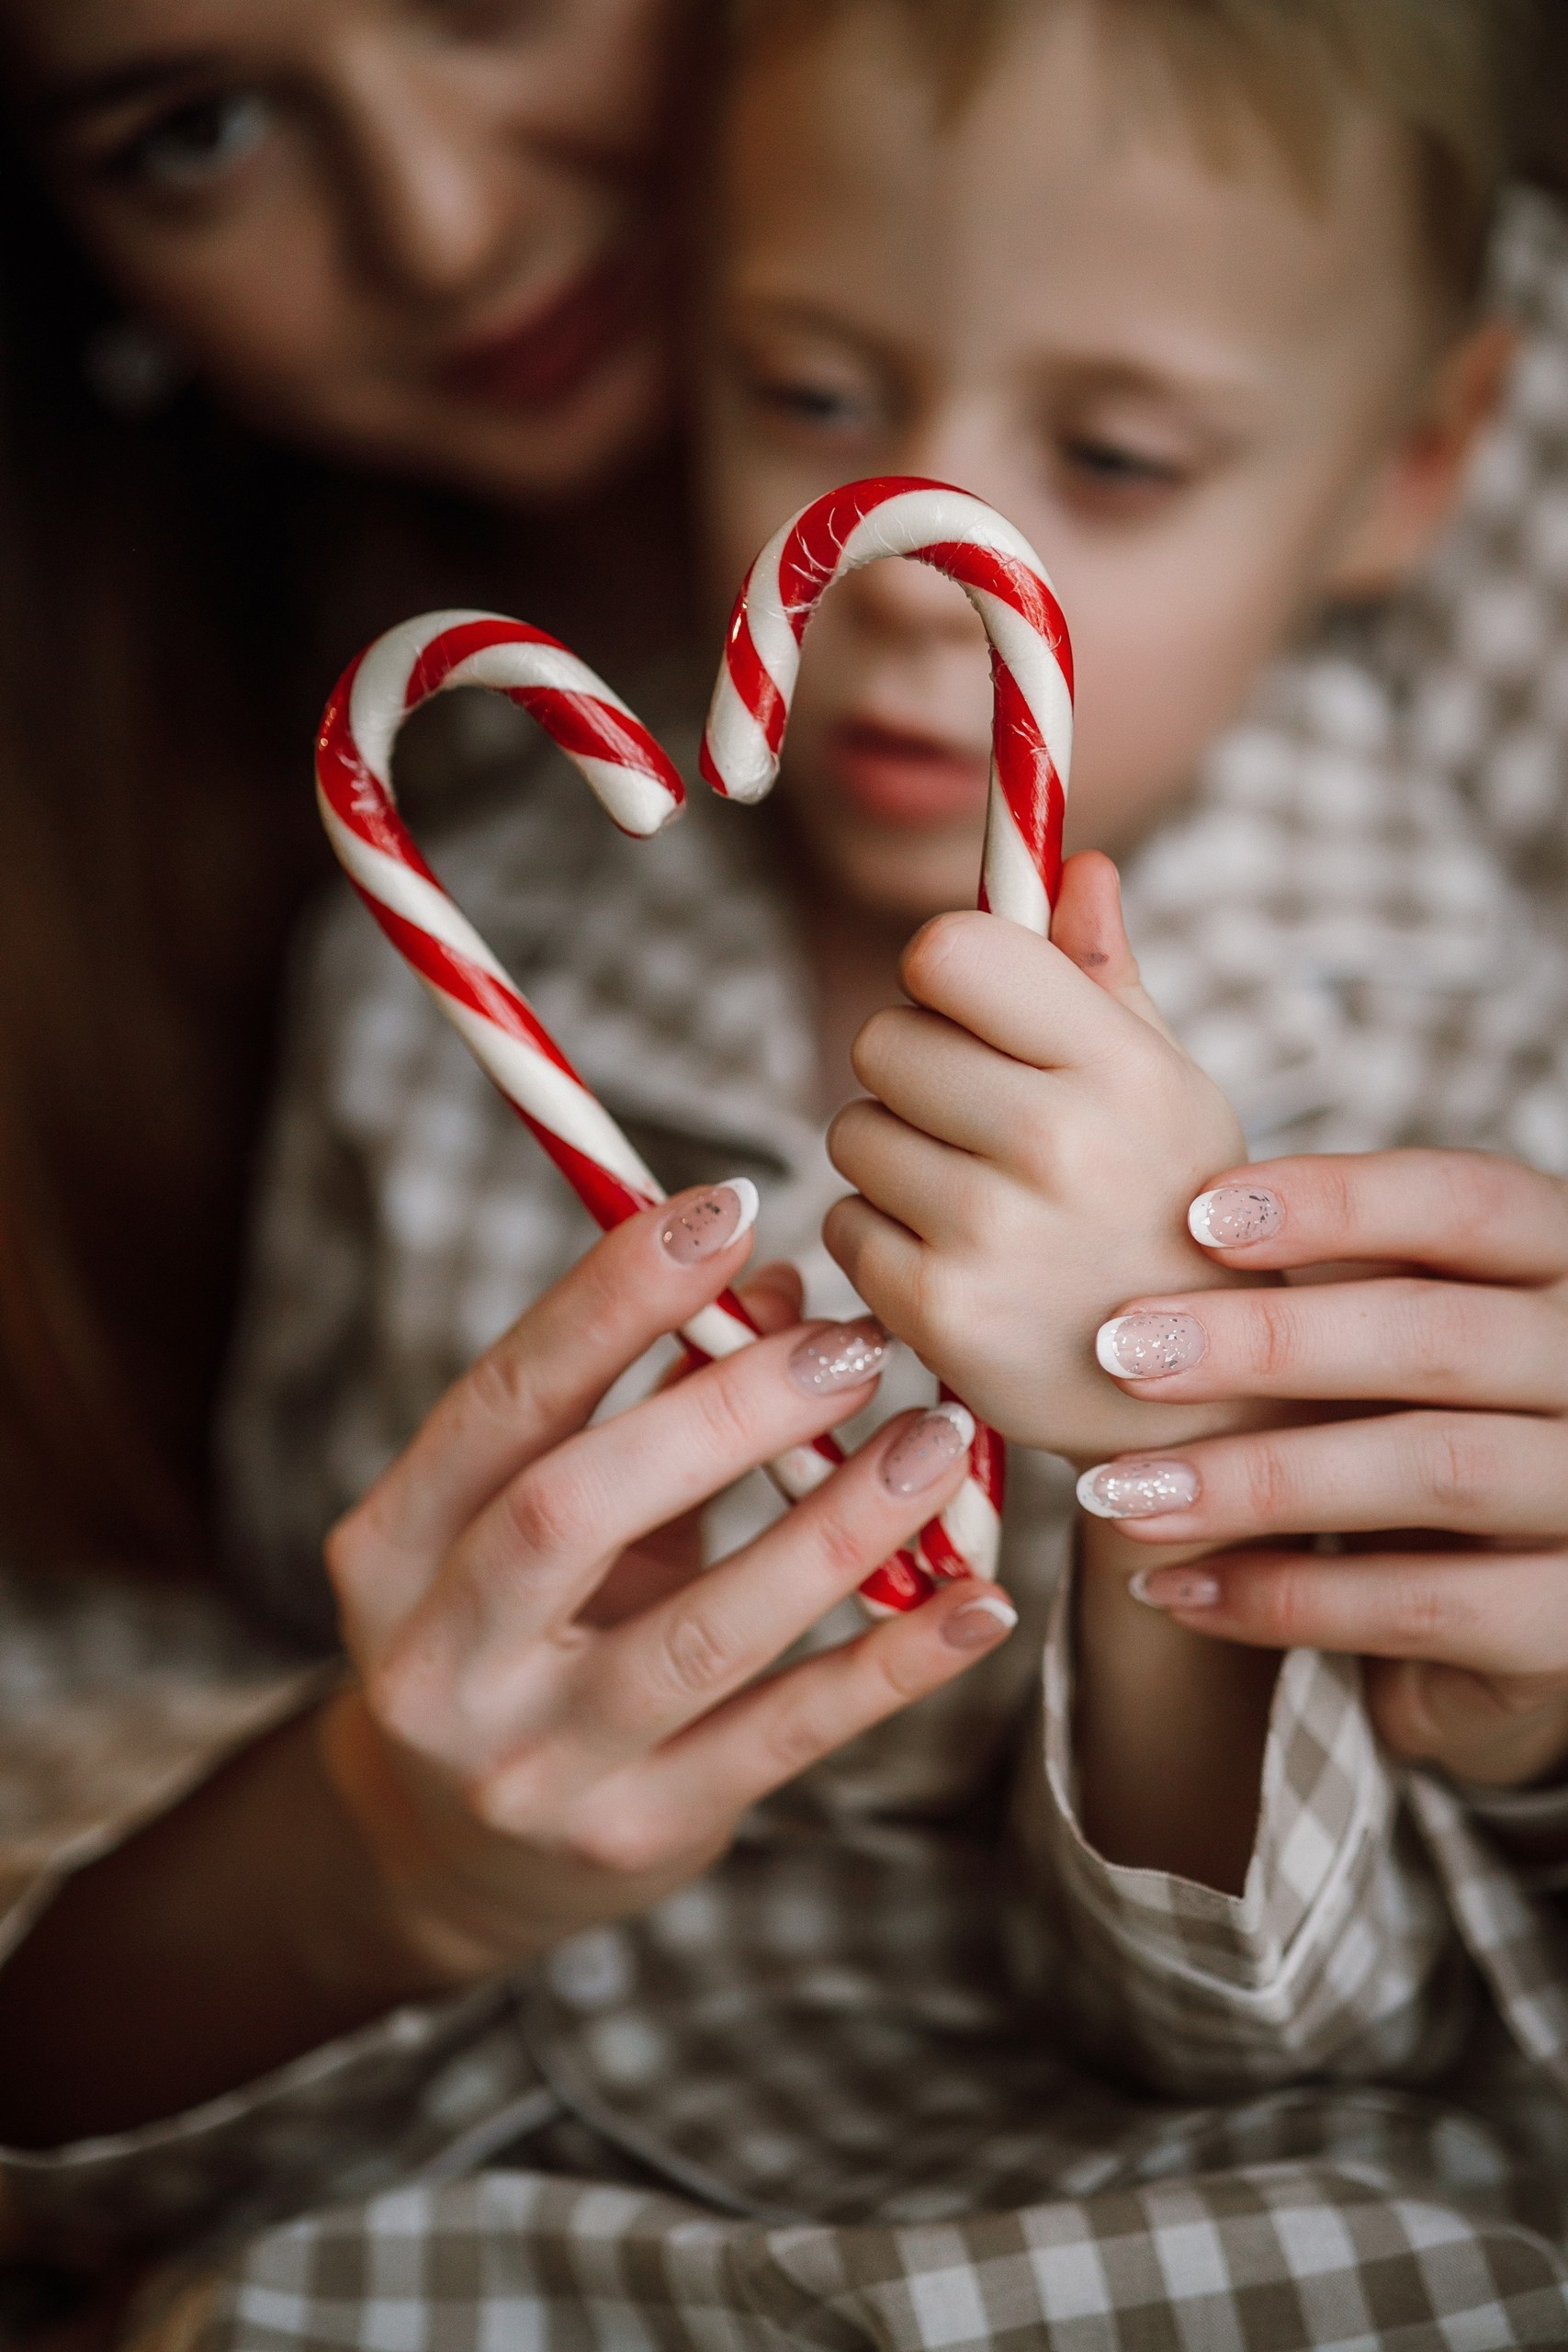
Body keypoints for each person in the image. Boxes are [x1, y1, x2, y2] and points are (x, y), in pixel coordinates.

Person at [6, 0, 1568, 2345]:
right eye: (813, 399)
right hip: (499, 2188)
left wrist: (1174, 1458)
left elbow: (1290, 2019)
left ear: (1412, 460)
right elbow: (249, 1640)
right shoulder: (468, 947)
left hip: (1184, 2207)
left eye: (1119, 454)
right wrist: (391, 1834)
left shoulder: (1467, 1057)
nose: (922, 566)